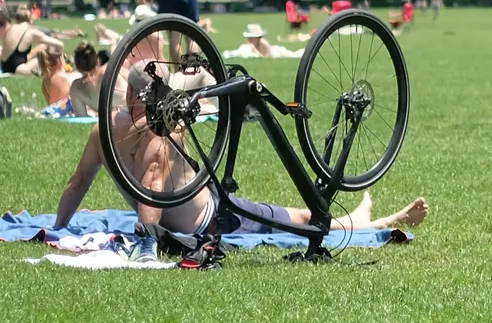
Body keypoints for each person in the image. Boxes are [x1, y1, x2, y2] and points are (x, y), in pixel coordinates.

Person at [50, 73, 427, 239]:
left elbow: (79, 182)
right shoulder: (162, 133)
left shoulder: (102, 132)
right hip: (215, 220)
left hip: (212, 213)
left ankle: (368, 221)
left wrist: (59, 228)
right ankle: (373, 220)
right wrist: (145, 243)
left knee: (303, 218)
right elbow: (148, 191)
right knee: (303, 219)